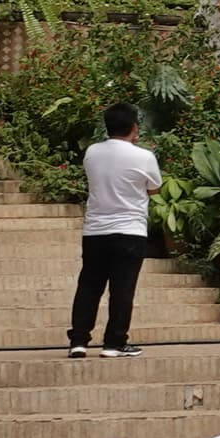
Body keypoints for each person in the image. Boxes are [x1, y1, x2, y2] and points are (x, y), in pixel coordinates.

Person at [70, 102, 162, 357]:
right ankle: (114, 343)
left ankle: (78, 341)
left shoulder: (92, 152)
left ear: (107, 126)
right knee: (122, 289)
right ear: (135, 127)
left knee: (89, 286)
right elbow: (154, 189)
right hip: (130, 230)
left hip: (95, 230)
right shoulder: (144, 156)